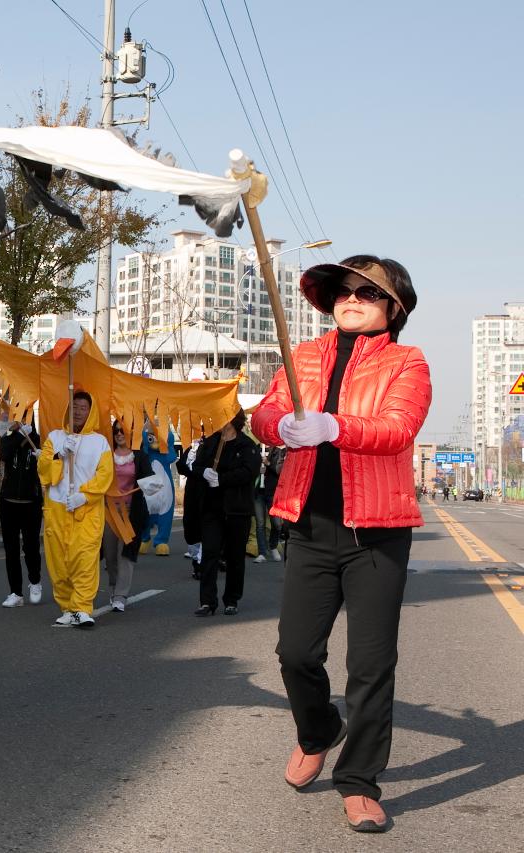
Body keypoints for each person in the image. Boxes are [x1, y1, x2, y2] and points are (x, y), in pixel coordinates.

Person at [252, 255, 429, 833]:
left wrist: (334, 426)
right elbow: (268, 411)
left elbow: (397, 428)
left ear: (393, 307)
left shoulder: (409, 362)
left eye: (368, 292)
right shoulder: (302, 356)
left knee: (371, 664)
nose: (351, 299)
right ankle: (318, 730)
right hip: (310, 524)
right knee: (295, 653)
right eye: (344, 290)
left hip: (378, 530)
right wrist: (278, 426)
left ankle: (359, 782)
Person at [39, 390, 113, 629]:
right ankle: (67, 607)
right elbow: (44, 471)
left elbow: (105, 475)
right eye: (75, 407)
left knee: (85, 559)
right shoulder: (55, 437)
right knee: (59, 563)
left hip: (86, 510)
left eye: (83, 408)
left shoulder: (100, 442)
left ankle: (82, 608)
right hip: (58, 508)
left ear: (90, 412)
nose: (78, 412)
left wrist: (85, 496)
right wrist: (61, 454)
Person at [190, 410, 259, 616]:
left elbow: (249, 472)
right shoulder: (211, 442)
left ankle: (232, 599)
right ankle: (207, 601)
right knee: (210, 553)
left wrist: (223, 479)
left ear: (232, 419)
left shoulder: (247, 445)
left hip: (238, 510)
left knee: (235, 556)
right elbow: (196, 465)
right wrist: (203, 472)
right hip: (213, 508)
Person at [101, 419, 153, 612]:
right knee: (110, 554)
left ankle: (121, 595)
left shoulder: (139, 456)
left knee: (126, 554)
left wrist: (152, 484)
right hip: (108, 511)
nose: (119, 434)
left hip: (131, 513)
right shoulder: (106, 455)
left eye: (123, 431)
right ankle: (113, 589)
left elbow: (148, 478)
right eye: (116, 431)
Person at [0, 415, 44, 607]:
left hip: (30, 502)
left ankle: (35, 581)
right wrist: (18, 434)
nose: (18, 421)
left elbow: (49, 461)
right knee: (11, 549)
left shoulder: (38, 440)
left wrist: (30, 436)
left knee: (30, 546)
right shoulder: (7, 439)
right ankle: (15, 592)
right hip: (8, 501)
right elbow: (3, 454)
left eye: (23, 418)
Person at [138, 426, 177, 556]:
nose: (155, 441)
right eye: (151, 437)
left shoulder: (165, 455)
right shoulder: (146, 455)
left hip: (165, 491)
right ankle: (144, 538)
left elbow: (172, 456)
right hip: (148, 488)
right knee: (144, 514)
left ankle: (161, 540)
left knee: (166, 514)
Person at [177, 437, 204, 578]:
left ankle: (202, 563)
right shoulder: (193, 446)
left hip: (209, 492)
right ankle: (196, 560)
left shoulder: (216, 446)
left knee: (207, 528)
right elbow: (181, 466)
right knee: (191, 527)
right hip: (192, 493)